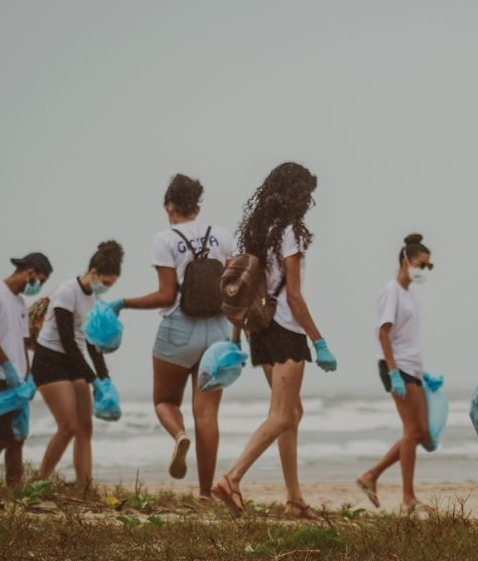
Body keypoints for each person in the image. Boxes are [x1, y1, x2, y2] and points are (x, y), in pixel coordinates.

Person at [211, 162, 338, 518]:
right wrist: (319, 341)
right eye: (306, 193)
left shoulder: (250, 233)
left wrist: (237, 338)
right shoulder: (289, 233)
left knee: (291, 413)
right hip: (284, 330)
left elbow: (239, 291)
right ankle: (231, 478)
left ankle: (295, 499)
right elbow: (294, 297)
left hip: (258, 331)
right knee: (282, 415)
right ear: (297, 194)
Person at [109, 174, 234, 498]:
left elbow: (166, 296)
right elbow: (234, 288)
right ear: (198, 205)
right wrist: (237, 334)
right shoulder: (221, 236)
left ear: (169, 206)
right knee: (207, 414)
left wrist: (124, 303)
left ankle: (179, 435)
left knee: (165, 400)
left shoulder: (165, 239)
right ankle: (206, 493)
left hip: (178, 329)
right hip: (219, 331)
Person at [356, 234, 436, 514]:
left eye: (428, 267)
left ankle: (372, 475)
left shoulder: (409, 291)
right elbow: (384, 332)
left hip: (412, 368)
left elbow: (409, 336)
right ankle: (408, 498)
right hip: (396, 367)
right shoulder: (391, 290)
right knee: (412, 432)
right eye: (420, 264)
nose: (423, 271)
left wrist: (423, 376)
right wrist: (394, 373)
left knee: (422, 433)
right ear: (406, 260)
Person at [32, 241, 123, 485]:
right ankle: (39, 481)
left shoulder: (94, 299)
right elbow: (67, 341)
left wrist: (104, 378)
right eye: (105, 283)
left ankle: (84, 485)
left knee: (85, 427)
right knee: (68, 426)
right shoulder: (66, 292)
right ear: (93, 272)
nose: (105, 288)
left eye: (111, 285)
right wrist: (92, 379)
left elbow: (93, 343)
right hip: (49, 361)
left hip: (74, 362)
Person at [0, 252, 53, 487]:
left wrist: (29, 376)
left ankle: (15, 488)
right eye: (41, 280)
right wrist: (6, 365)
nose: (39, 286)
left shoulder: (20, 303)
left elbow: (23, 343)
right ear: (30, 272)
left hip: (17, 381)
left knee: (17, 436)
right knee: (0, 436)